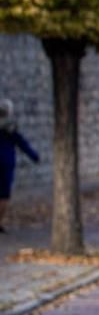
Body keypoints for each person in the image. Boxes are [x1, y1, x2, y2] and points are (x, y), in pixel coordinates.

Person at [0, 98, 40, 234]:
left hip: (5, 163)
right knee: (4, 195)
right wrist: (34, 156)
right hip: (6, 164)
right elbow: (22, 144)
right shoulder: (11, 128)